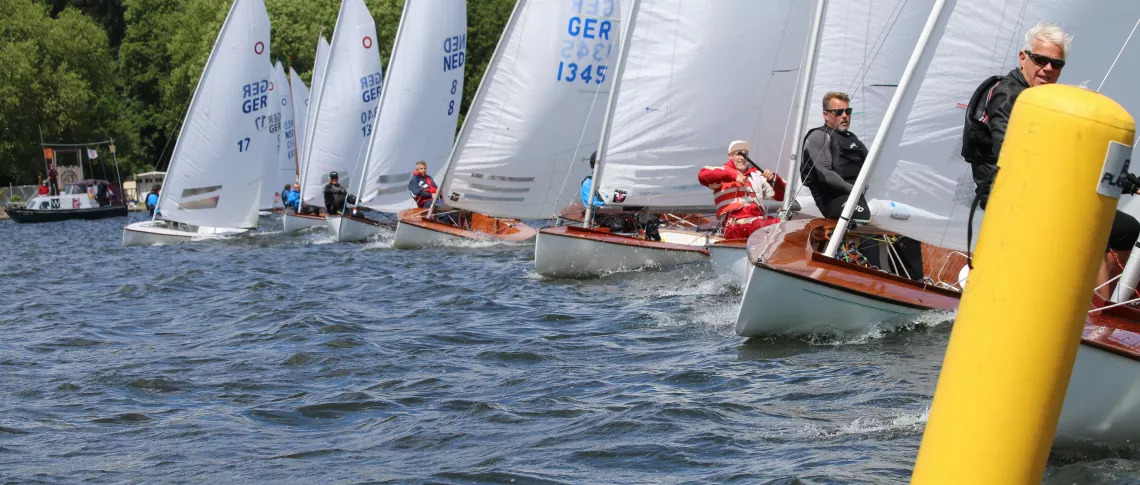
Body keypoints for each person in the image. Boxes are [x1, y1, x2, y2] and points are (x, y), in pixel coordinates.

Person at [962, 22, 1140, 297]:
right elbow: (1013, 151)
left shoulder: (1044, 100)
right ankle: (1095, 311)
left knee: (1126, 228)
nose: (1047, 69)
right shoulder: (1008, 95)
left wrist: (1124, 180)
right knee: (1092, 227)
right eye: (1040, 60)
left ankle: (1108, 304)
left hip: (1044, 188)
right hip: (1010, 194)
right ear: (1023, 57)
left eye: (1056, 64)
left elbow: (1073, 152)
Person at [802, 91, 923, 280]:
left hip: (860, 195)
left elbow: (874, 167)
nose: (844, 116)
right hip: (835, 199)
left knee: (905, 217)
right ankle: (872, 275)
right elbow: (825, 174)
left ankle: (912, 279)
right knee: (867, 217)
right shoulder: (818, 136)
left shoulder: (852, 139)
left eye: (848, 111)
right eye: (838, 112)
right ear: (826, 114)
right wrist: (855, 191)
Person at [697, 140, 785, 239]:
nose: (742, 158)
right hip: (734, 226)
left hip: (759, 223)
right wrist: (733, 176)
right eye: (738, 154)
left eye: (745, 154)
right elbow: (702, 175)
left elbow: (780, 196)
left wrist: (774, 179)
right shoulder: (721, 172)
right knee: (762, 226)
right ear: (730, 156)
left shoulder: (757, 175)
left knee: (784, 225)